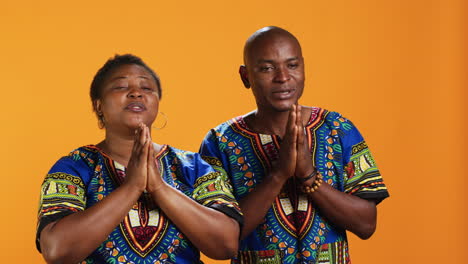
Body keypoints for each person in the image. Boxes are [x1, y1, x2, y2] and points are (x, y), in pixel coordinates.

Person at [199, 26, 389, 264]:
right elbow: (217, 240)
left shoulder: (339, 129)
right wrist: (278, 174)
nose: (283, 77)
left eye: (292, 65)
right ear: (246, 76)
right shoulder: (221, 141)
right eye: (267, 68)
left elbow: (366, 224)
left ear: (303, 68)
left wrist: (309, 176)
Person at [36, 54, 242, 264]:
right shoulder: (76, 167)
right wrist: (131, 187)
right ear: (98, 106)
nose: (136, 93)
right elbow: (56, 251)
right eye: (120, 87)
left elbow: (227, 245)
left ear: (157, 103)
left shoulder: (193, 166)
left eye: (147, 88)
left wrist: (159, 188)